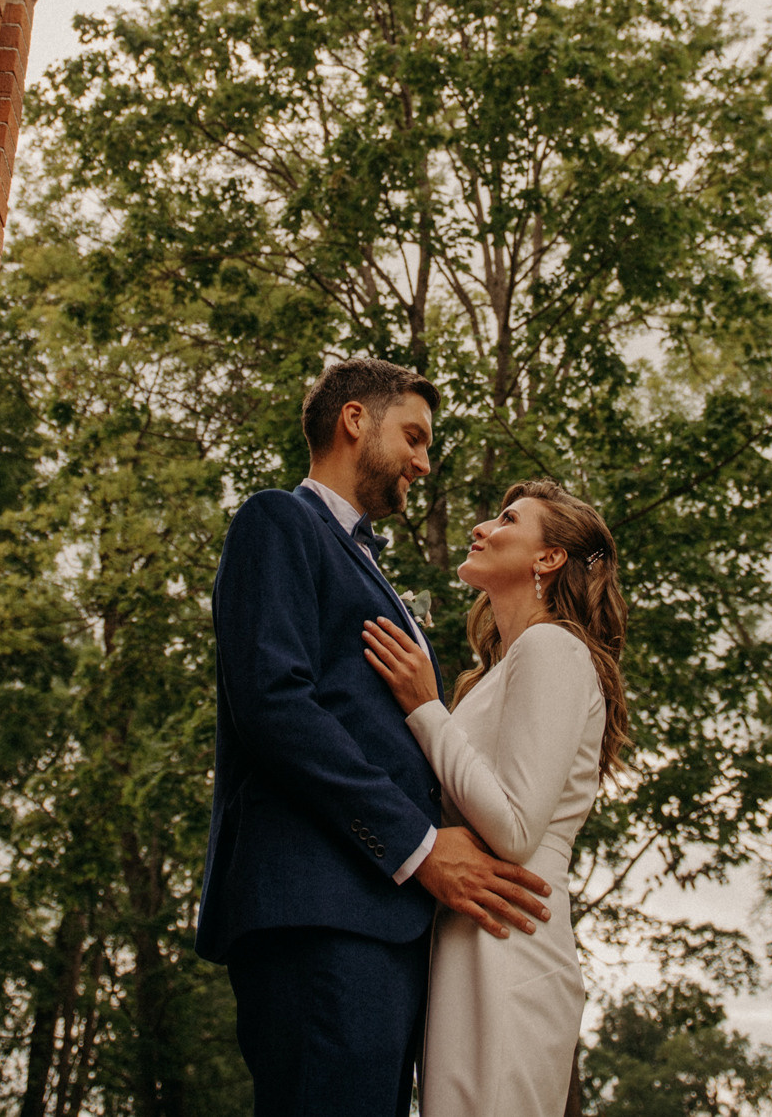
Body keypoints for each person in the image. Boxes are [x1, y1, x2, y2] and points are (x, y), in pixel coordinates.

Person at [195, 358, 555, 1117]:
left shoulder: (370, 564)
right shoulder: (278, 521)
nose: (425, 463)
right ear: (354, 419)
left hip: (382, 922)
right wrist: (419, 845)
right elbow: (274, 703)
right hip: (318, 908)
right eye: (415, 437)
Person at [361, 478, 630, 1117]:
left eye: (507, 519)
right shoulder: (488, 677)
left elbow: (512, 828)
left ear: (548, 558)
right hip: (466, 933)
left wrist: (426, 710)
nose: (482, 528)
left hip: (513, 940)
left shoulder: (552, 647)